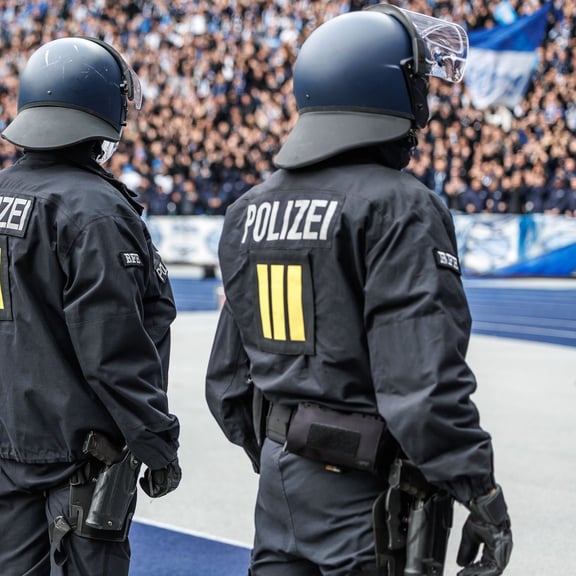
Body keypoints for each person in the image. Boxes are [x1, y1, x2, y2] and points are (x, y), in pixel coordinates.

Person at [205, 6, 513, 576]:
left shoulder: (248, 211)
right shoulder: (401, 207)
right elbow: (422, 386)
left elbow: (226, 384)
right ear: (390, 91)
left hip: (278, 489)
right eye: (418, 80)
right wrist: (480, 492)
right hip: (367, 497)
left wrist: (284, 447)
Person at [0, 37, 182, 576]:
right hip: (82, 462)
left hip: (12, 452)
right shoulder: (96, 210)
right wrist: (157, 442)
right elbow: (114, 350)